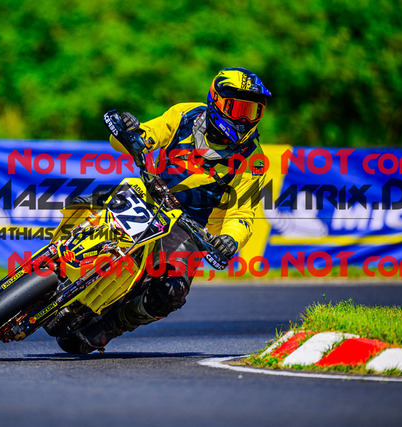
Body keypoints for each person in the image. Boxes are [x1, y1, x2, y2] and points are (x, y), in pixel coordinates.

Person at [58, 67, 271, 353]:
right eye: (238, 108)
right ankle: (54, 261)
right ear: (217, 101)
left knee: (172, 292)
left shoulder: (254, 159)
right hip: (148, 194)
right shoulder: (185, 114)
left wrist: (230, 239)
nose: (245, 119)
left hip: (190, 227)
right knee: (83, 207)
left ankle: (113, 324)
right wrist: (129, 131)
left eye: (253, 111)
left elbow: (243, 214)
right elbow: (143, 136)